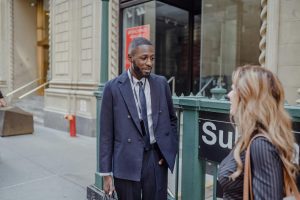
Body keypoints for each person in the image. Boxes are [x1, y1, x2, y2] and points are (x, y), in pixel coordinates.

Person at [99, 37, 178, 200]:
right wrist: (106, 173)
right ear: (130, 58)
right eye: (144, 58)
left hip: (155, 158)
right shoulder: (112, 88)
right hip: (126, 160)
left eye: (152, 58)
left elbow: (172, 120)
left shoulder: (161, 83)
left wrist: (168, 151)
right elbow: (106, 134)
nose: (149, 62)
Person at [218, 65, 299, 199]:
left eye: (233, 89)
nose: (229, 95)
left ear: (248, 97)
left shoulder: (261, 145)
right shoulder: (250, 137)